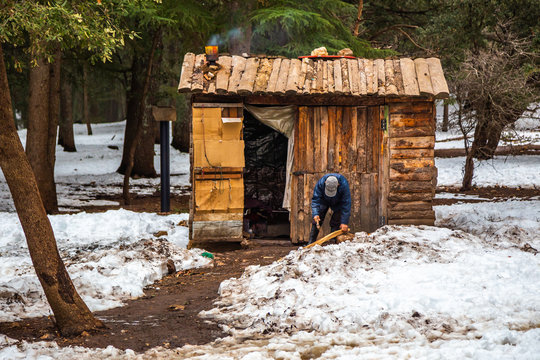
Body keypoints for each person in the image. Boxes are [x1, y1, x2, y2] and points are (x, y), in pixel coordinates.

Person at [308, 173, 351, 244]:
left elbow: (346, 203)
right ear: (325, 183)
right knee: (317, 219)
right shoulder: (320, 184)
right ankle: (311, 242)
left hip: (338, 202)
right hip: (324, 200)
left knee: (336, 221)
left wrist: (344, 222)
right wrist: (315, 214)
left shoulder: (343, 184)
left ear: (338, 185)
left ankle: (332, 242)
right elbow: (316, 200)